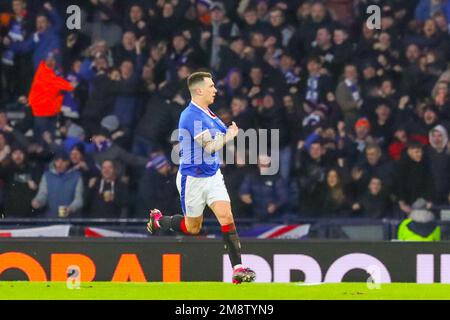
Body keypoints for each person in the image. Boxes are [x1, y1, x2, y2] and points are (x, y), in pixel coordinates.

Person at [146, 71, 255, 284]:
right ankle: (159, 221)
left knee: (226, 217)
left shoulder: (210, 114)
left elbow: (220, 143)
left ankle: (238, 269)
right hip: (192, 180)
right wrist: (229, 136)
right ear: (199, 90)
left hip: (212, 176)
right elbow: (210, 146)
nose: (215, 89)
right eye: (211, 86)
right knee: (193, 227)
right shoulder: (190, 115)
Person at [31, 151, 84, 218]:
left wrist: (70, 209)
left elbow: (79, 200)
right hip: (50, 219)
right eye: (57, 161)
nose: (59, 164)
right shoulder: (47, 176)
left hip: (71, 220)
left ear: (68, 162)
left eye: (63, 161)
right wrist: (38, 201)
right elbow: (43, 194)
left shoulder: (77, 176)